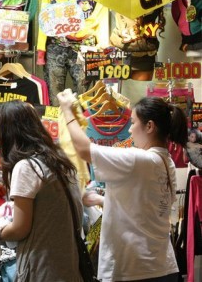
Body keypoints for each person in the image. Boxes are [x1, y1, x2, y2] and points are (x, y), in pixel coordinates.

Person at [57, 89, 187, 282]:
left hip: (136, 270)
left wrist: (67, 111)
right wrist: (102, 199)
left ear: (149, 126)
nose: (129, 129)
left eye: (133, 123)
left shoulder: (139, 159)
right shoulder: (166, 162)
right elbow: (143, 208)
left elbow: (84, 149)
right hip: (161, 266)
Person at [0, 100, 83, 281]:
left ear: (8, 133)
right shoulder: (58, 159)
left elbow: (20, 229)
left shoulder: (27, 167)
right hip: (68, 266)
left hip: (43, 269)